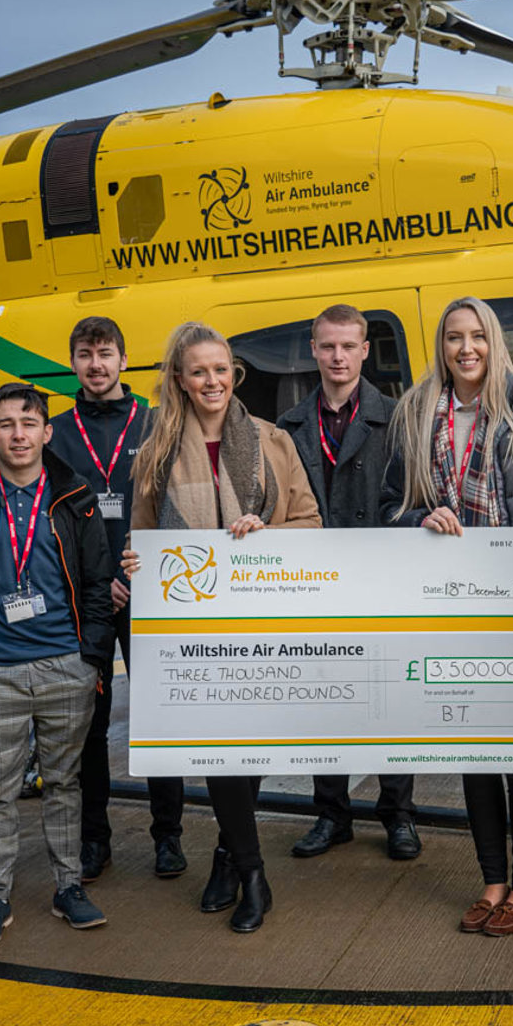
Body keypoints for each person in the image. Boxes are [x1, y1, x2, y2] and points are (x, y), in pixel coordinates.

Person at [381, 296, 513, 938]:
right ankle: (491, 879)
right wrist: (420, 517)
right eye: (453, 338)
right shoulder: (415, 413)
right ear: (440, 347)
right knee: (473, 749)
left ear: (495, 343)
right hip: (450, 606)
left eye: (477, 337)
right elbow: (388, 505)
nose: (466, 349)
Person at [123, 322, 322, 934]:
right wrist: (135, 560)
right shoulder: (156, 450)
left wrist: (268, 532)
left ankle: (226, 854)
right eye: (199, 371)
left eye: (222, 370)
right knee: (219, 745)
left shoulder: (271, 441)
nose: (213, 381)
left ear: (235, 375)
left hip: (266, 618)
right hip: (194, 628)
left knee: (248, 745)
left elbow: (312, 523)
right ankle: (254, 871)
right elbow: (143, 536)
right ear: (180, 380)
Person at [0, 383, 116, 948]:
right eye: (6, 424)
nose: (17, 434)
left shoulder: (74, 495)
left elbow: (96, 583)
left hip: (65, 665)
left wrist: (92, 659)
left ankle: (67, 886)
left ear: (45, 431)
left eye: (28, 423)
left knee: (64, 784)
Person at [46, 316, 188, 883]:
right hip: (87, 597)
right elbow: (49, 518)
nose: (96, 365)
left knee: (160, 719)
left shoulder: (157, 423)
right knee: (88, 722)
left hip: (152, 592)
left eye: (106, 354)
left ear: (124, 361)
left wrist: (147, 567)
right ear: (74, 362)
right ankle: (94, 840)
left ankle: (168, 836)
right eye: (85, 354)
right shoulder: (54, 432)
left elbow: (178, 506)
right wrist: (96, 577)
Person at [275, 303, 419, 862]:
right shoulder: (288, 426)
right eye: (327, 346)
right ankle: (331, 815)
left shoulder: (400, 418)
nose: (337, 356)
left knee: (390, 701)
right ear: (313, 349)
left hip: (382, 581)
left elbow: (413, 496)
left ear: (365, 350)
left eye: (348, 346)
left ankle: (398, 816)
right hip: (314, 587)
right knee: (323, 702)